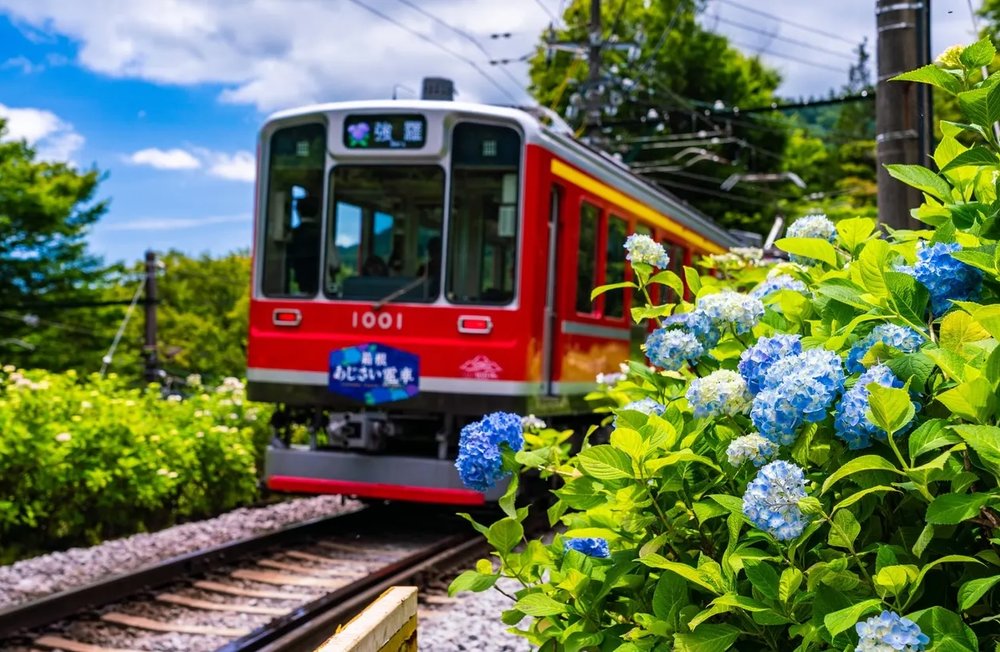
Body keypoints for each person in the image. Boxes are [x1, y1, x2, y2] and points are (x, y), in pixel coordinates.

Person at [288, 194, 321, 294]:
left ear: (298, 212)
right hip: (318, 281)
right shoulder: (321, 234)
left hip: (301, 281)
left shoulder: (292, 234)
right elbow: (334, 263)